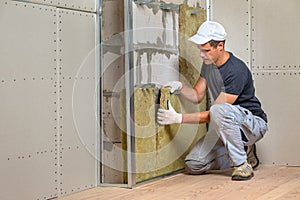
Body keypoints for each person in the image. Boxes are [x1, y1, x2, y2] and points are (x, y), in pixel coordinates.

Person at [157, 21, 268, 181]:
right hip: (224, 125)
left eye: (206, 50)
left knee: (218, 110)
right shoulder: (208, 64)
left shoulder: (236, 71)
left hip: (251, 125)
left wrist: (178, 118)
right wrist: (180, 87)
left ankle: (242, 165)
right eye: (200, 50)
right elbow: (197, 95)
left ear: (220, 46)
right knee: (193, 164)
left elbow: (213, 114)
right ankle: (242, 152)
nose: (202, 55)